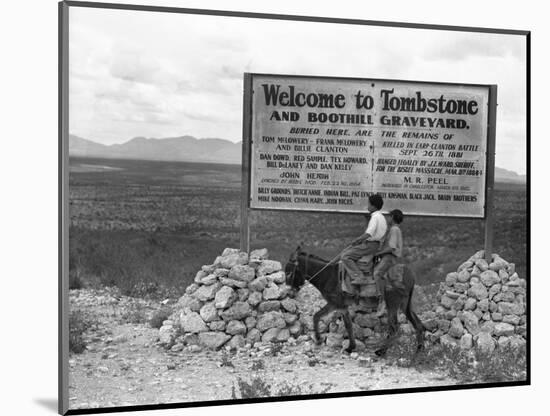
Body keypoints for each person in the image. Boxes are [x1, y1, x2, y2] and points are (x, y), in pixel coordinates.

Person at [341, 194, 387, 284]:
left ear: (373, 206)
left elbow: (369, 233)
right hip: (376, 244)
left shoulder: (375, 217)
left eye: (369, 204)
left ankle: (359, 277)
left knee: (345, 256)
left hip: (370, 245)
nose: (368, 206)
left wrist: (357, 240)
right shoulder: (382, 217)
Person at [373, 209, 404, 317]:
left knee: (377, 274)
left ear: (393, 217)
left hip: (389, 257)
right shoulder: (395, 229)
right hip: (389, 257)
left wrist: (378, 253)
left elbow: (391, 247)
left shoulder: (394, 229)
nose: (388, 219)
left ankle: (381, 301)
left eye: (389, 216)